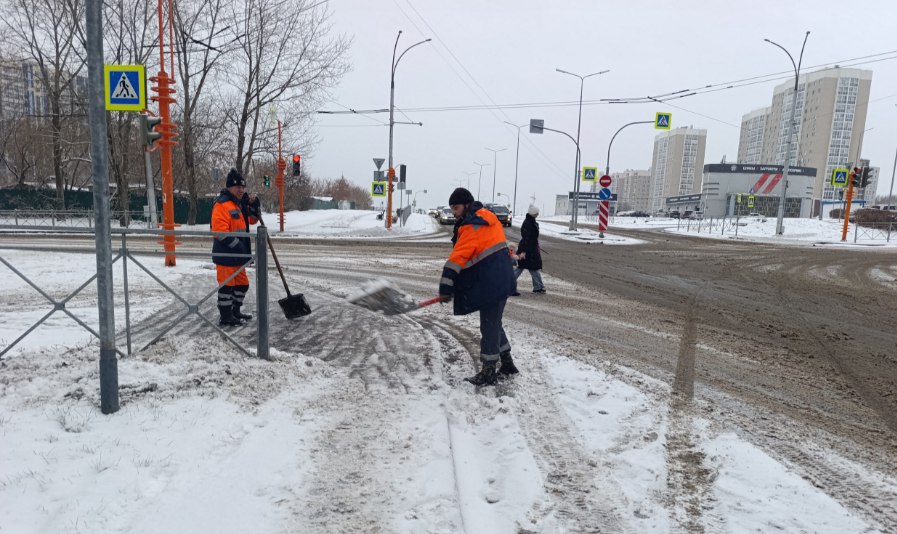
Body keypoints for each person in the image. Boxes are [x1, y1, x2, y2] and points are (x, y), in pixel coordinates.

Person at [438, 187, 518, 386]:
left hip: (492, 282)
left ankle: (489, 371)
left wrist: (445, 286)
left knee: (489, 326)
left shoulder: (471, 226)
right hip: (501, 278)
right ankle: (507, 363)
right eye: (452, 208)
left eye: (456, 208)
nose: (454, 213)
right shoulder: (488, 217)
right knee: (494, 323)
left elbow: (457, 259)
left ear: (466, 205)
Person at [211, 168, 260, 326]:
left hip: (239, 256)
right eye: (238, 187)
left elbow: (252, 220)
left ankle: (235, 311)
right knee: (227, 287)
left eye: (243, 187)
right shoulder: (222, 204)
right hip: (226, 255)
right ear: (229, 187)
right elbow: (219, 231)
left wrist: (255, 207)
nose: (241, 190)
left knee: (242, 285)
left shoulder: (239, 204)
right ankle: (226, 316)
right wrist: (237, 245)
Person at [515, 205, 546, 293]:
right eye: (537, 213)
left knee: (530, 267)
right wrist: (524, 251)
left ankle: (538, 287)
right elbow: (527, 238)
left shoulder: (530, 221)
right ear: (533, 213)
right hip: (528, 249)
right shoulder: (528, 223)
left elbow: (530, 238)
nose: (538, 214)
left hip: (530, 248)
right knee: (530, 267)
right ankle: (538, 287)